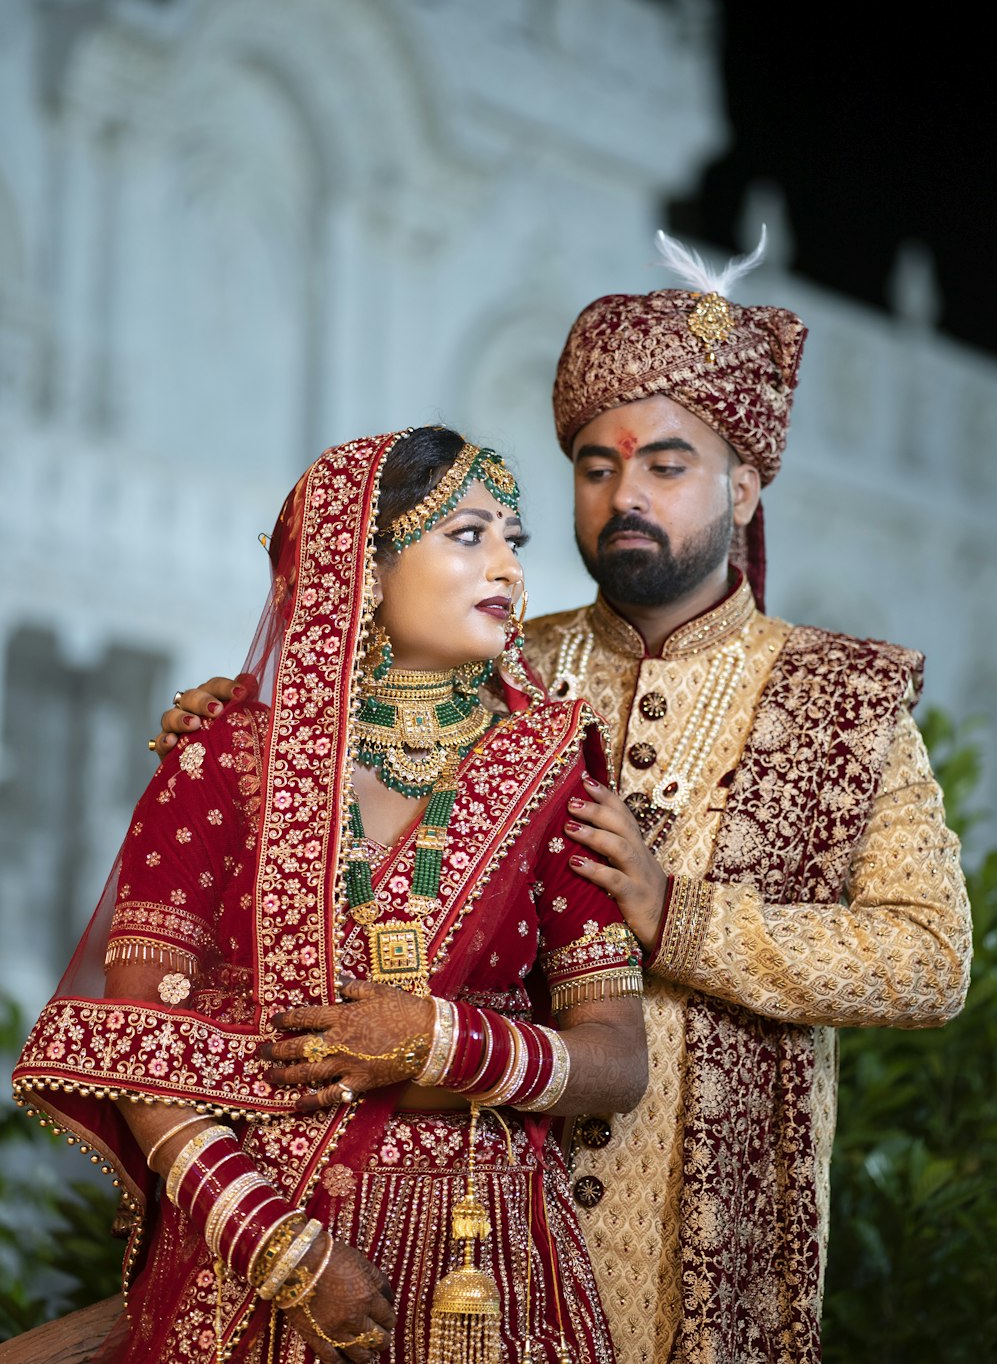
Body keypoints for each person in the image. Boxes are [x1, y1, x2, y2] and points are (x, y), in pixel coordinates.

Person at [153, 235, 973, 1364]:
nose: (623, 495)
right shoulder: (487, 662)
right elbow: (327, 732)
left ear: (748, 484)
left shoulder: (848, 701)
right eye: (594, 467)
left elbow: (927, 958)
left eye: (666, 465)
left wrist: (675, 915)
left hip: (709, 1233)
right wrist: (240, 719)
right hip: (462, 1226)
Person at [13, 428, 648, 1364]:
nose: (510, 566)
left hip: (485, 1250)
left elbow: (616, 1058)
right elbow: (139, 1046)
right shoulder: (221, 757)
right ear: (362, 563)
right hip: (255, 1241)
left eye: (515, 539)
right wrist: (287, 1253)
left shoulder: (554, 769)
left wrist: (441, 1038)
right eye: (469, 535)